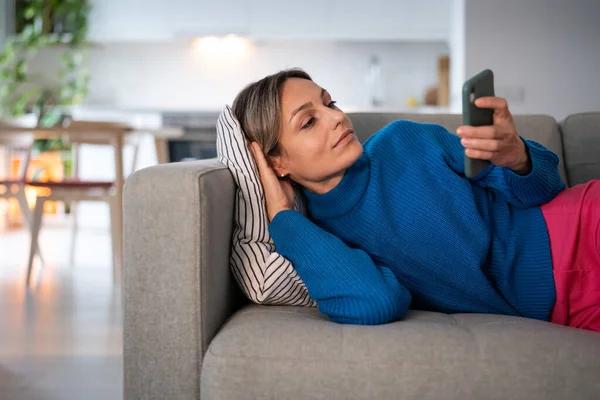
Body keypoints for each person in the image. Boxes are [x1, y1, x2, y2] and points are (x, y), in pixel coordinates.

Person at [232, 68, 600, 331]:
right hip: (568, 311)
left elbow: (548, 188)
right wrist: (282, 216)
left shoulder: (404, 140)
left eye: (330, 103)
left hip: (582, 226)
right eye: (308, 121)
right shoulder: (321, 241)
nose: (336, 118)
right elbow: (376, 301)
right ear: (274, 162)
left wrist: (517, 155)